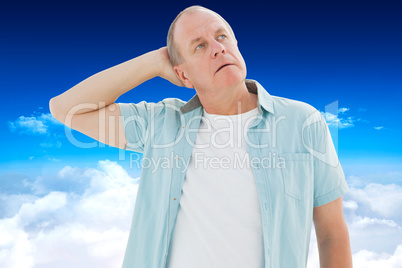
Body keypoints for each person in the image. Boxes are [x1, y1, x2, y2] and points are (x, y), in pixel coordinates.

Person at [49, 5, 353, 268]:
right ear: (182, 75)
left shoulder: (304, 122)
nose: (218, 47)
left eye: (221, 37)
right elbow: (65, 109)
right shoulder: (161, 124)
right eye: (199, 46)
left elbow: (331, 233)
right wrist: (153, 63)